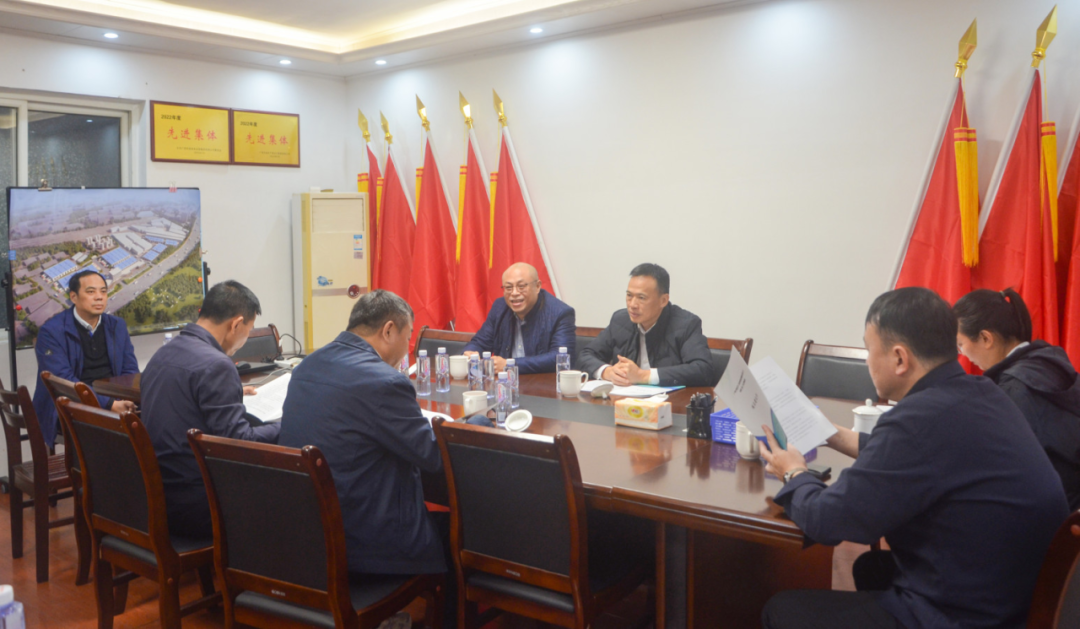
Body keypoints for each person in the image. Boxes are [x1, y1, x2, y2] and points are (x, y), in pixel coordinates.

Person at [759, 287, 1068, 629]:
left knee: (780, 609)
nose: (867, 361)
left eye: (869, 349)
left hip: (964, 616)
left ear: (900, 359)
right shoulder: (981, 393)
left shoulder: (918, 420)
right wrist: (836, 435)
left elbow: (829, 521)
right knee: (871, 569)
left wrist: (794, 473)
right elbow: (917, 455)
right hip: (1013, 598)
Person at [279, 289, 445, 576]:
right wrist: (477, 424)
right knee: (460, 534)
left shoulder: (307, 365)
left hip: (306, 536)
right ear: (388, 330)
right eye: (408, 338)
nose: (407, 349)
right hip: (364, 544)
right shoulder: (384, 382)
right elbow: (433, 457)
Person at [141, 280, 280, 539]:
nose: (245, 338)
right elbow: (240, 442)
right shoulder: (216, 364)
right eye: (248, 330)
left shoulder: (164, 352)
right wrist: (285, 423)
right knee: (291, 494)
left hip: (158, 493)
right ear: (236, 324)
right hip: (197, 503)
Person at [955, 287, 1080, 510]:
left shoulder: (1013, 389)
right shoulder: (1050, 361)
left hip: (1053, 513)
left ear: (985, 338)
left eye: (960, 345)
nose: (962, 354)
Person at [32, 269, 139, 447]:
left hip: (113, 401)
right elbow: (63, 381)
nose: (99, 297)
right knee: (108, 435)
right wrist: (109, 405)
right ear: (73, 297)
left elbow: (130, 371)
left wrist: (123, 401)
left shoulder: (117, 325)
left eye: (103, 291)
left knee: (159, 416)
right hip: (70, 404)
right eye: (91, 292)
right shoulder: (51, 331)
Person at [577, 263, 716, 387]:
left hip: (669, 404)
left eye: (641, 298)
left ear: (663, 300)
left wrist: (643, 376)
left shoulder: (685, 324)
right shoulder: (620, 320)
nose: (632, 305)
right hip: (624, 401)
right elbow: (585, 355)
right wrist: (607, 372)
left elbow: (703, 370)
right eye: (629, 296)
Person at [463, 262, 576, 373]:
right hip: (504, 382)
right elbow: (480, 342)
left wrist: (510, 365)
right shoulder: (500, 307)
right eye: (508, 287)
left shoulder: (560, 313)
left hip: (542, 383)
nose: (514, 293)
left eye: (521, 286)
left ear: (537, 286)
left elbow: (559, 357)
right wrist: (470, 353)